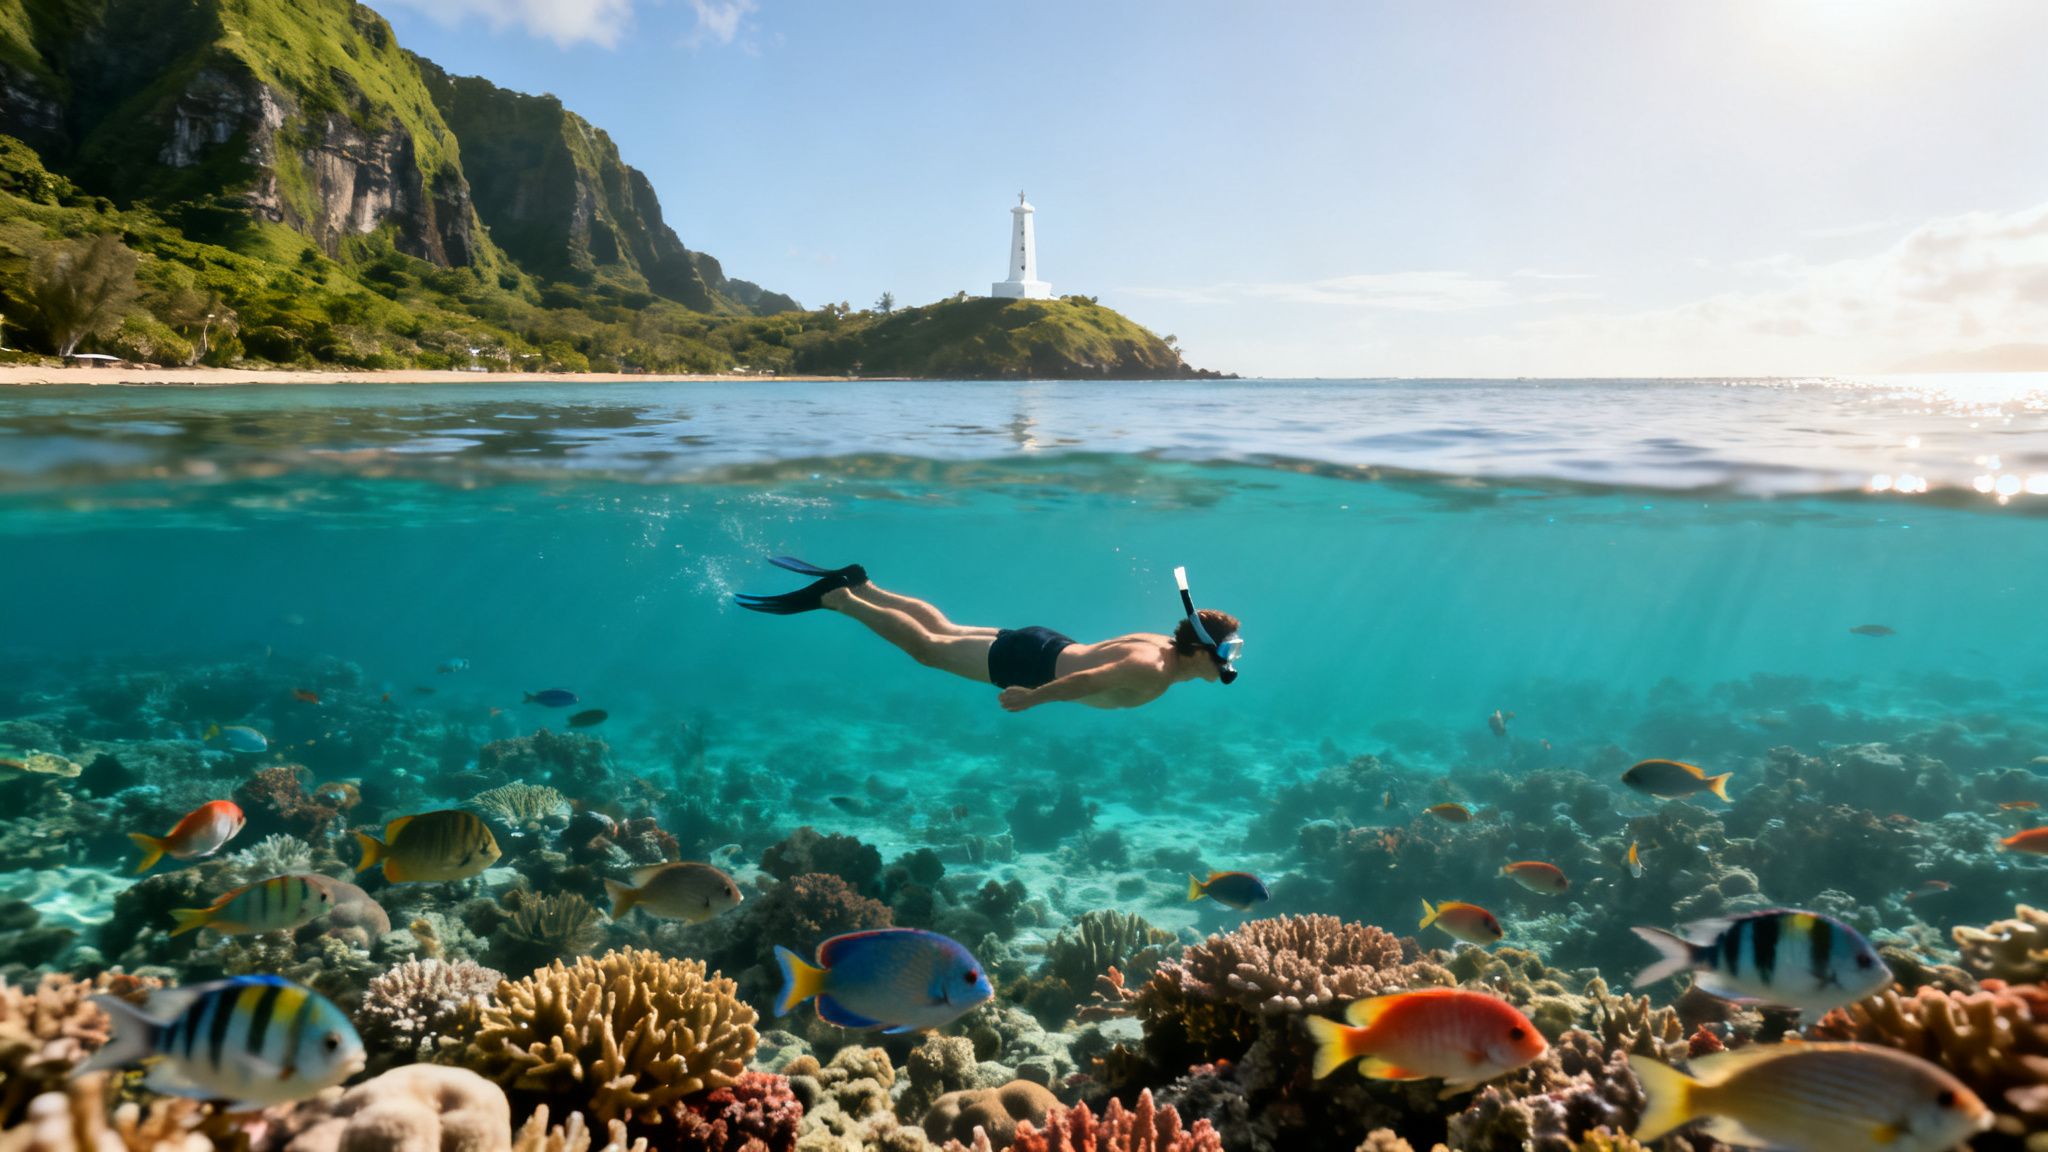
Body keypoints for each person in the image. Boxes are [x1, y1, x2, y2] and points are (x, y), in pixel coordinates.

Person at [734, 558, 1242, 711]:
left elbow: (1090, 670)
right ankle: (839, 599)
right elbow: (1087, 684)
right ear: (1197, 649)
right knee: (928, 649)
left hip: (1045, 641)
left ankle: (864, 582)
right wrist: (1033, 698)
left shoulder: (1159, 640)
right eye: (1221, 652)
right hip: (1034, 666)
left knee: (945, 627)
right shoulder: (1151, 669)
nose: (1226, 662)